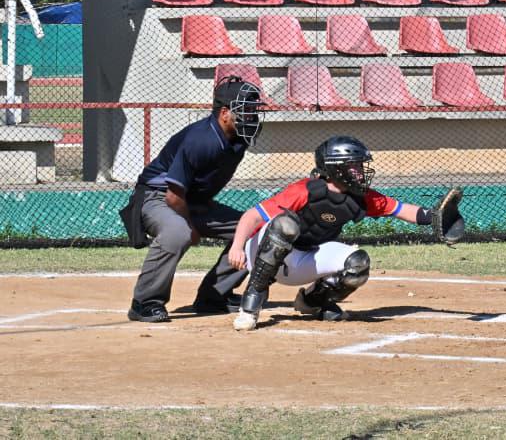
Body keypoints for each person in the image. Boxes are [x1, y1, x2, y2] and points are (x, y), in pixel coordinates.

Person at [229, 136, 449, 331]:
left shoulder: (360, 197)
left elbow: (400, 209)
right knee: (286, 225)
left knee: (358, 263)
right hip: (261, 253)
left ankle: (312, 302)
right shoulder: (305, 190)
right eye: (354, 166)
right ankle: (251, 303)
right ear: (336, 168)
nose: (361, 172)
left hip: (302, 261)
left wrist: (434, 217)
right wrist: (237, 247)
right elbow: (253, 216)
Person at [123, 76, 265, 323]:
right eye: (244, 110)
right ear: (224, 113)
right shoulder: (201, 140)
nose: (251, 116)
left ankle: (213, 296)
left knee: (257, 229)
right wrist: (191, 225)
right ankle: (145, 302)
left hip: (191, 201)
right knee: (178, 232)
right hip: (158, 197)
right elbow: (173, 195)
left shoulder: (238, 138)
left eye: (253, 110)